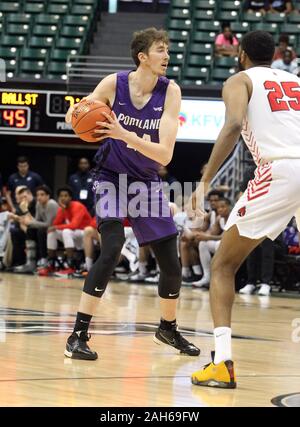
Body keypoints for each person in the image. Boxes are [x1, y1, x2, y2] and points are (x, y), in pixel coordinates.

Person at [64, 27, 200, 360]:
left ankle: (167, 329)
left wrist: (121, 132)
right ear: (142, 57)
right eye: (160, 50)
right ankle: (77, 336)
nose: (167, 56)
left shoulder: (171, 92)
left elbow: (165, 155)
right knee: (110, 248)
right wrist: (78, 115)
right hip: (110, 176)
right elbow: (74, 114)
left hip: (147, 181)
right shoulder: (114, 83)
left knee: (171, 262)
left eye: (167, 50)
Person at [190, 31, 300, 388]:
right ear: (276, 55)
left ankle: (221, 363)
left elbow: (234, 124)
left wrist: (205, 179)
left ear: (241, 54)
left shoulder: (240, 79)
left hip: (280, 169)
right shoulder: (295, 81)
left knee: (223, 265)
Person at [38, 186, 92, 278]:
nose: (63, 198)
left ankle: (70, 266)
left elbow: (74, 225)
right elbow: (55, 224)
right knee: (52, 232)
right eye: (61, 196)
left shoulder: (78, 206)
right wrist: (62, 211)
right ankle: (51, 264)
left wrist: (56, 227)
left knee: (66, 231)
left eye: (66, 196)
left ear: (70, 198)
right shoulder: (62, 208)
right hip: (73, 236)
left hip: (86, 236)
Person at [192, 198, 232, 288]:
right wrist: (201, 235)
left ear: (229, 207)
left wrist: (208, 237)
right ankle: (207, 276)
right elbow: (212, 232)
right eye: (218, 208)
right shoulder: (219, 218)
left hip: (234, 246)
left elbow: (226, 237)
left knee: (219, 244)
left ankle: (220, 277)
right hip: (223, 244)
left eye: (223, 207)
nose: (220, 209)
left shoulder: (233, 218)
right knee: (203, 243)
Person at [17, 185, 59, 270]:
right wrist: (28, 222)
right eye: (38, 195)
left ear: (48, 196)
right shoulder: (38, 204)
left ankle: (43, 259)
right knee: (31, 229)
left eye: (42, 194)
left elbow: (49, 224)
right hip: (45, 229)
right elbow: (36, 221)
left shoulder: (51, 204)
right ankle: (30, 261)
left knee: (40, 231)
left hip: (56, 228)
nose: (39, 197)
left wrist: (30, 222)